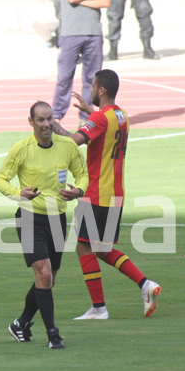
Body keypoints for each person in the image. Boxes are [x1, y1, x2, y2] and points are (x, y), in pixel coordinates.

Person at [53, 69, 161, 320]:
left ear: (101, 90)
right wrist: (91, 112)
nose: (90, 90)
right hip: (115, 193)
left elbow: (73, 140)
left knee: (84, 247)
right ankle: (145, 284)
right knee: (102, 248)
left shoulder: (100, 119)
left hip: (96, 193)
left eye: (92, 87)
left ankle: (99, 308)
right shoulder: (122, 116)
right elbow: (104, 124)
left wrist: (52, 124)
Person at [0, 101, 89, 349]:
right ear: (31, 122)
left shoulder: (67, 146)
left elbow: (83, 174)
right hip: (29, 217)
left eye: (49, 118)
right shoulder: (21, 149)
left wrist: (79, 190)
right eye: (41, 120)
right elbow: (0, 180)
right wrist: (18, 193)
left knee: (48, 279)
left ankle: (21, 323)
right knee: (44, 274)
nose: (46, 124)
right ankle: (53, 335)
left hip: (57, 218)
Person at [51, 0, 110, 125]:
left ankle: (86, 117)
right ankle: (57, 115)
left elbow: (105, 1)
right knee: (64, 77)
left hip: (94, 33)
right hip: (70, 33)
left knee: (93, 80)